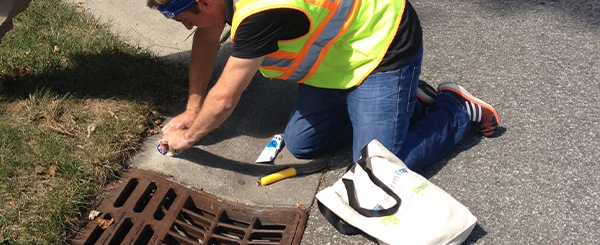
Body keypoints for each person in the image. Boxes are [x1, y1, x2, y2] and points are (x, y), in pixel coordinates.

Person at [149, 0, 500, 171]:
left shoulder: (261, 12)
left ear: (205, 2)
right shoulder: (218, 1)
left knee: (378, 169)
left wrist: (189, 136)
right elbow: (207, 39)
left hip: (382, 44)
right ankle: (408, 100)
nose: (186, 29)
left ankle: (455, 109)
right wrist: (193, 108)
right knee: (303, 144)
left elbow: (226, 98)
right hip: (340, 58)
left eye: (185, 19)